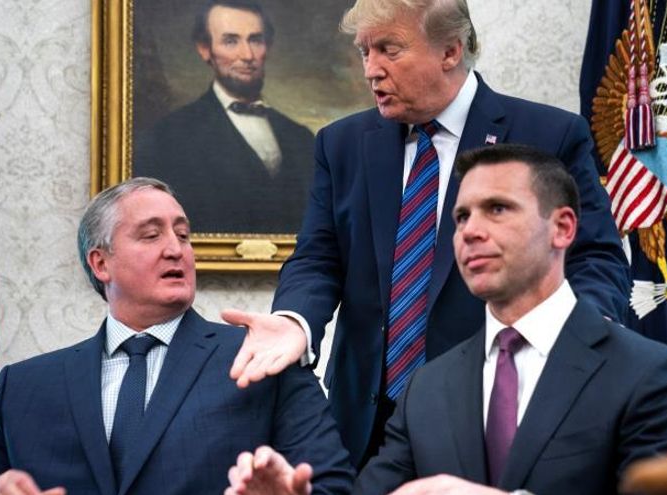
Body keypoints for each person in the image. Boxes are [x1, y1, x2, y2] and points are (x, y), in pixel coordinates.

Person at [223, 0, 632, 468]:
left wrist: (576, 337)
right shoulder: (341, 144)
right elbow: (319, 258)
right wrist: (295, 320)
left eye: (388, 50)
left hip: (494, 409)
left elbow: (595, 258)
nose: (371, 70)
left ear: (450, 51)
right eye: (364, 52)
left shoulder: (548, 134)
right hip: (364, 423)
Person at [224, 144, 667, 495]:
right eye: (460, 217)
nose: (470, 231)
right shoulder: (426, 389)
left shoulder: (651, 375)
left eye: (497, 209)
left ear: (562, 228)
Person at [0, 178, 353, 495]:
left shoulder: (261, 359)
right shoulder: (25, 386)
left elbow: (332, 485)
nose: (175, 249)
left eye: (182, 235)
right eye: (151, 235)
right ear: (101, 263)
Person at [134, 0, 314, 234]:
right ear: (204, 49)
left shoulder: (301, 137)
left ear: (267, 47)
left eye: (255, 40)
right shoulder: (168, 138)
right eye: (231, 41)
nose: (247, 54)